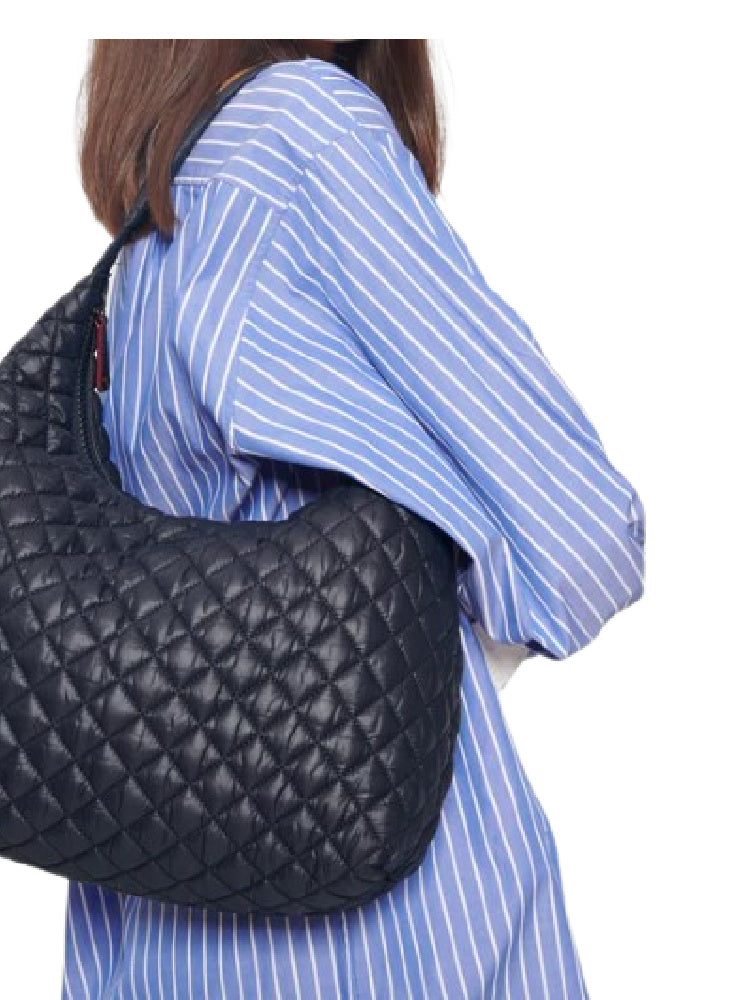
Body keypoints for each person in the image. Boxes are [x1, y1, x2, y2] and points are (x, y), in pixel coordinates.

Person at [62, 39, 645, 999]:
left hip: (159, 939)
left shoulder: (156, 218)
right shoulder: (305, 132)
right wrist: (432, 625)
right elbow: (582, 534)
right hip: (398, 939)